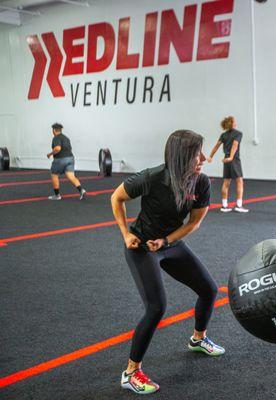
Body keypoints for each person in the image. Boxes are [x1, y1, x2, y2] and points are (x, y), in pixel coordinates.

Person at [111, 130, 225, 395]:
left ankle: (198, 339)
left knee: (209, 290)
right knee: (156, 307)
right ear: (182, 156)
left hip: (168, 244)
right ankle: (130, 373)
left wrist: (166, 240)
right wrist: (126, 233)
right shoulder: (151, 177)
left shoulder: (202, 183)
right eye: (198, 153)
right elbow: (116, 198)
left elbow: (194, 222)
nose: (204, 158)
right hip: (141, 247)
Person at [207, 116, 249, 213]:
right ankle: (239, 205)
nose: (236, 122)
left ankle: (224, 206)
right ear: (232, 123)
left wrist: (210, 156)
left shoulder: (224, 135)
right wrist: (231, 157)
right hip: (233, 159)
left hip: (226, 159)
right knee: (239, 182)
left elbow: (216, 146)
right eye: (234, 121)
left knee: (226, 182)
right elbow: (235, 144)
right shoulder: (238, 133)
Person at [46, 123, 86, 200]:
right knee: (71, 176)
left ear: (54, 130)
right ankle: (81, 190)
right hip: (70, 158)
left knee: (54, 174)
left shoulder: (56, 138)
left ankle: (57, 195)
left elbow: (57, 148)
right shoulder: (66, 138)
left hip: (61, 159)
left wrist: (50, 154)